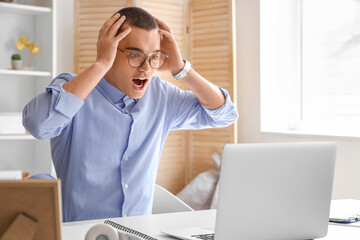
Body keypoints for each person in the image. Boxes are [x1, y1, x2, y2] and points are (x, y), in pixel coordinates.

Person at [23, 7, 238, 222]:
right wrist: (101, 64)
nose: (146, 68)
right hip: (81, 234)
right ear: (110, 48)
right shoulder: (73, 89)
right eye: (134, 55)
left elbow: (225, 114)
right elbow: (38, 126)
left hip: (139, 233)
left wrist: (180, 68)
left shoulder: (161, 96)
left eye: (154, 57)